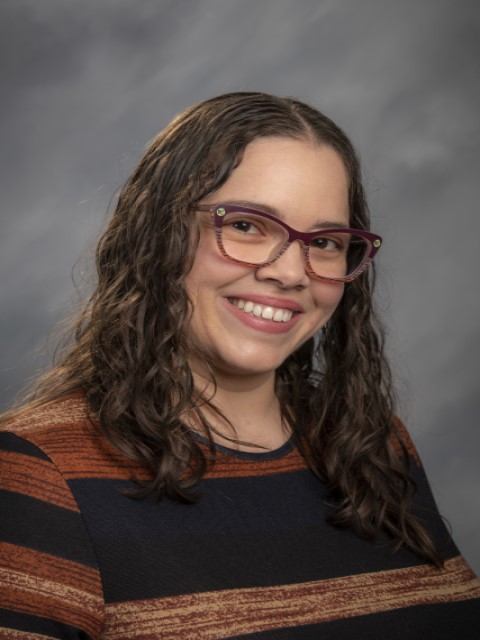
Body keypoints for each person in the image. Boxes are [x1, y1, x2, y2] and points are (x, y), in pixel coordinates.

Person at [0, 92, 479, 640]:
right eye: (248, 226)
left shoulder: (370, 445)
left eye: (323, 241)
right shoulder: (36, 474)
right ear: (156, 234)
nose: (290, 272)